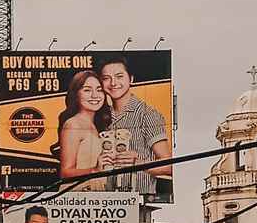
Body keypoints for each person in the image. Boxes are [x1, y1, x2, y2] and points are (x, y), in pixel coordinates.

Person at [98, 55, 171, 195]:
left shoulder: (147, 114)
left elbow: (169, 165)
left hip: (138, 200)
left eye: (119, 76)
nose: (113, 83)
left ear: (131, 79)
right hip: (105, 201)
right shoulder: (101, 115)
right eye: (106, 78)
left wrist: (138, 163)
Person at [56, 68, 114, 188]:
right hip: (77, 196)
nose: (95, 95)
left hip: (95, 193)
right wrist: (95, 170)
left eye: (99, 90)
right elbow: (65, 173)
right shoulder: (73, 125)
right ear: (76, 95)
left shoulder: (97, 125)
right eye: (87, 90)